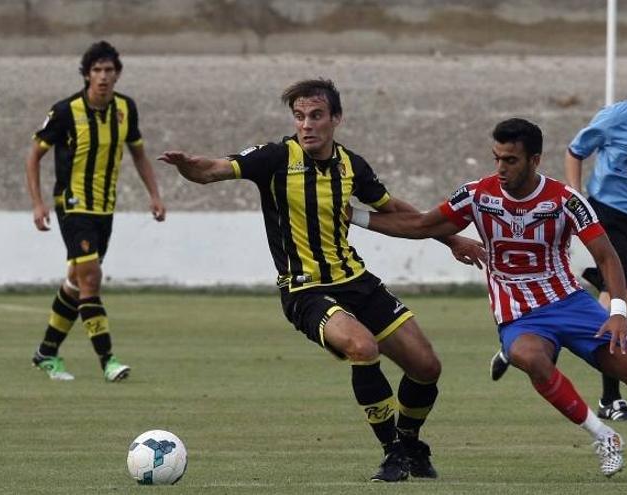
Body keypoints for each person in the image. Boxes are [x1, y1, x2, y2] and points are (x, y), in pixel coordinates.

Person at [158, 78, 482, 482]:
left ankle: (410, 442)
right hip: (304, 289)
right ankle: (391, 452)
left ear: (336, 119)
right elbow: (214, 170)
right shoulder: (275, 158)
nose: (306, 125)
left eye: (315, 116)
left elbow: (395, 209)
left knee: (426, 367)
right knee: (362, 347)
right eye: (299, 117)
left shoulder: (352, 166)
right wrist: (190, 166)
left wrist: (451, 239)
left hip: (356, 280)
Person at [350, 117, 627, 480]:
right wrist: (353, 215)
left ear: (535, 160)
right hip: (519, 314)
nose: (501, 168)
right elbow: (420, 225)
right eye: (497, 159)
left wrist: (617, 310)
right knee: (527, 356)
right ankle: (603, 435)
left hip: (570, 303)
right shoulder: (477, 195)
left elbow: (606, 256)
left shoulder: (565, 200)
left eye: (511, 160)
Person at [489, 47, 627, 422]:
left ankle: (531, 330)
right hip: (605, 214)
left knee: (610, 303)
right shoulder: (615, 118)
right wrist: (575, 199)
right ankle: (609, 398)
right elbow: (575, 150)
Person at [26, 40, 166, 382]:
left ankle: (46, 351)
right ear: (87, 75)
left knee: (76, 282)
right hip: (72, 204)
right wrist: (38, 202)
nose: (103, 77)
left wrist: (155, 194)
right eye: (96, 70)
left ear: (117, 74)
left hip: (105, 207)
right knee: (91, 278)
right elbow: (33, 157)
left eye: (108, 70)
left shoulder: (125, 109)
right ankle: (108, 360)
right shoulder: (65, 111)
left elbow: (138, 153)